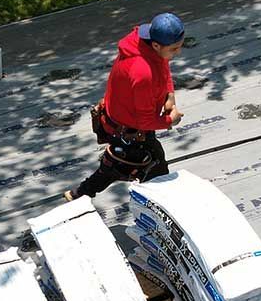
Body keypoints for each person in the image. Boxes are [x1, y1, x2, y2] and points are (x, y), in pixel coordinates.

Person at [69, 11, 185, 200]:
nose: (178, 52)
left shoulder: (143, 43)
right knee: (142, 167)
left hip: (124, 121)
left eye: (180, 46)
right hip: (128, 130)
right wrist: (170, 120)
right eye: (174, 49)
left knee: (122, 166)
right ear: (156, 44)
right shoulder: (142, 73)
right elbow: (145, 121)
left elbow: (163, 64)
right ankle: (81, 193)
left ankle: (80, 193)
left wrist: (169, 95)